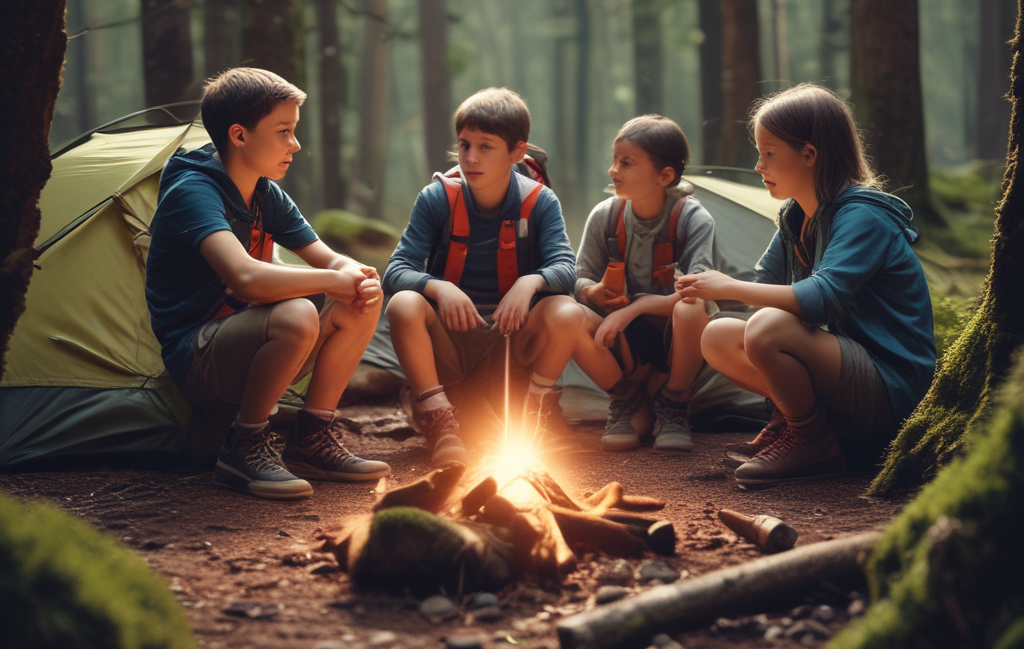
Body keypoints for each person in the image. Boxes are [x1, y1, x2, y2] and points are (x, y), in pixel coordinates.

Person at [146, 68, 390, 500]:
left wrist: (357, 277)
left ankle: (311, 436)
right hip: (197, 355)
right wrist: (333, 280)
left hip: (247, 339)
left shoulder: (264, 193)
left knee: (361, 299)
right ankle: (243, 447)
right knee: (296, 313)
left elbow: (328, 258)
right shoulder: (193, 189)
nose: (295, 144)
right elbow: (246, 278)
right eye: (284, 131)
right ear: (239, 135)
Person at [677, 84, 936, 489]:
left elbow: (821, 298)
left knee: (767, 328)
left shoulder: (862, 216)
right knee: (718, 335)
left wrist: (730, 286)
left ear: (810, 154)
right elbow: (763, 284)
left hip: (890, 388)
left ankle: (812, 440)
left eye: (769, 153)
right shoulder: (797, 216)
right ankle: (797, 421)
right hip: (844, 372)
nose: (759, 166)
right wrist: (709, 289)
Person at [383, 87, 581, 466]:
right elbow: (396, 271)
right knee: (404, 303)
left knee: (567, 311)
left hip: (512, 341)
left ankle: (534, 415)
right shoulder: (436, 198)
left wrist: (530, 282)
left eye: (485, 147)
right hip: (453, 341)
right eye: (464, 144)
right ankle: (441, 419)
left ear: (517, 152)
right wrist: (437, 287)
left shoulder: (540, 201)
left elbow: (565, 269)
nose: (470, 158)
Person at [572, 115, 720, 453]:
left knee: (692, 307)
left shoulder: (693, 219)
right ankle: (627, 400)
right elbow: (578, 278)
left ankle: (673, 404)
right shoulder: (605, 217)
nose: (613, 170)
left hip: (675, 340)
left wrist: (633, 308)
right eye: (614, 160)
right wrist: (592, 292)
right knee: (567, 315)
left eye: (626, 163)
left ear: (665, 175)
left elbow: (696, 289)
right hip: (624, 344)